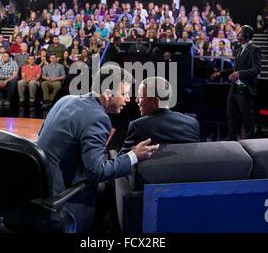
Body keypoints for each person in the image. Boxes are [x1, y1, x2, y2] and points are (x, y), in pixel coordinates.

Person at [37, 64, 159, 232]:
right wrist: (133, 156)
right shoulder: (98, 118)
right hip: (62, 198)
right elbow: (96, 173)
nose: (128, 99)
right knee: (108, 188)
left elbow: (43, 134)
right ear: (107, 94)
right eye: (123, 93)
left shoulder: (65, 100)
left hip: (39, 187)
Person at [211, 25, 262, 140]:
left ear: (247, 35)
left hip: (245, 87)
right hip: (235, 86)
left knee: (246, 115)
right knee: (231, 113)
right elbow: (235, 69)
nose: (237, 35)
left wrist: (240, 74)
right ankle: (232, 137)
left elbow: (257, 69)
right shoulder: (239, 49)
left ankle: (250, 139)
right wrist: (221, 73)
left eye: (239, 33)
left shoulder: (254, 49)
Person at [122, 77, 200, 151]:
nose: (137, 100)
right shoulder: (192, 123)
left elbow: (125, 161)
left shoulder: (137, 126)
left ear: (155, 101)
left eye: (141, 97)